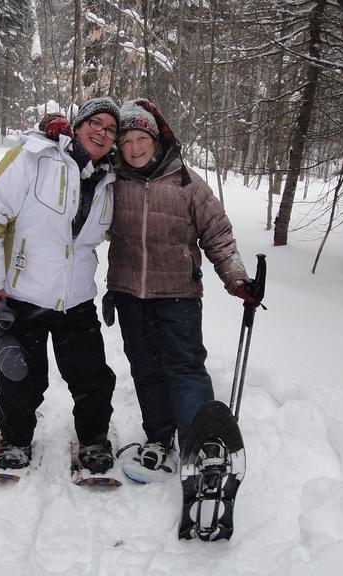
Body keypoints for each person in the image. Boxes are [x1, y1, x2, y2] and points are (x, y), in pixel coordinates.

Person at [105, 99, 259, 478]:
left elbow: (218, 234)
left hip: (178, 296)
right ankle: (158, 438)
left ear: (156, 140)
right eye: (126, 141)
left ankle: (200, 443)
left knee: (185, 368)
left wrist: (236, 278)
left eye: (142, 138)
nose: (134, 148)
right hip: (128, 294)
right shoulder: (112, 181)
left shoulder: (186, 183)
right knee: (145, 368)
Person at [0, 98, 121, 474]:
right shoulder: (34, 158)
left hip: (77, 299)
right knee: (21, 378)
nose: (102, 132)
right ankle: (16, 441)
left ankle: (94, 440)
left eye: (111, 129)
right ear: (78, 125)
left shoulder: (111, 179)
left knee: (91, 377)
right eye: (95, 123)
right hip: (26, 294)